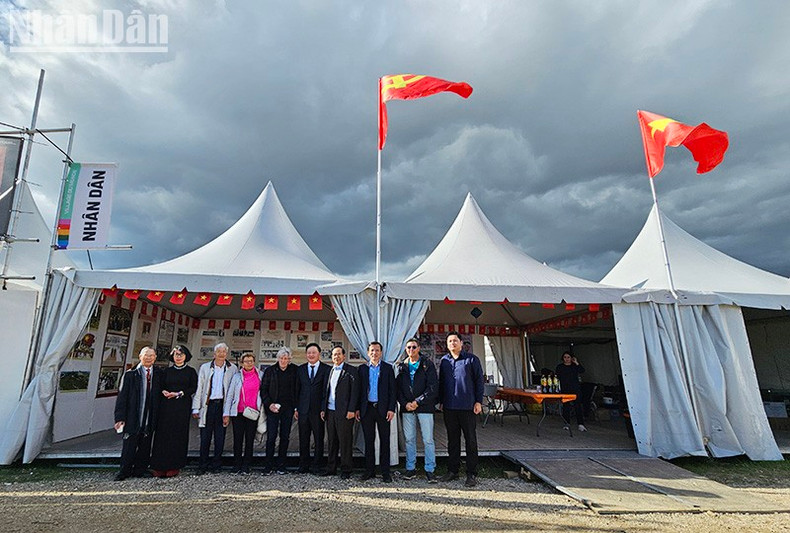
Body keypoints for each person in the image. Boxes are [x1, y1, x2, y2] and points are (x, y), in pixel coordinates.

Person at [438, 332, 484, 488]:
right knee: (452, 440)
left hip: (468, 406)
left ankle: (471, 473)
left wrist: (479, 401)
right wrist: (441, 401)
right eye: (449, 341)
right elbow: (442, 383)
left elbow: (479, 382)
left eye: (455, 341)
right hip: (450, 407)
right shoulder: (444, 361)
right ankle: (453, 470)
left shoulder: (471, 360)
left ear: (461, 343)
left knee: (470, 440)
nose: (452, 343)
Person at [113, 346, 162, 481]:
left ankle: (140, 470)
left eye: (151, 355)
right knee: (129, 444)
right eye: (146, 355)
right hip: (133, 415)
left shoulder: (158, 374)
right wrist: (120, 417)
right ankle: (124, 471)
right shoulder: (130, 374)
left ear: (155, 358)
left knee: (145, 445)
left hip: (149, 416)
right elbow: (122, 397)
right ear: (140, 356)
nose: (148, 358)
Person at [150, 345, 198, 477]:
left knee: (178, 435)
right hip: (166, 406)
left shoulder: (191, 371)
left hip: (181, 406)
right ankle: (159, 465)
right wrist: (164, 391)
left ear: (186, 356)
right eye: (176, 354)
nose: (178, 357)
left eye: (181, 354)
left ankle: (175, 465)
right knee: (163, 435)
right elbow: (160, 386)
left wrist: (180, 393)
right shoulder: (166, 371)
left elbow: (193, 387)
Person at [396, 338, 438, 482]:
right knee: (409, 439)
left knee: (427, 440)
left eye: (414, 347)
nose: (411, 350)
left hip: (425, 407)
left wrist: (417, 402)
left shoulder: (427, 364)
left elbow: (432, 387)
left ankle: (430, 470)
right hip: (407, 408)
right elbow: (399, 389)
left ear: (419, 348)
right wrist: (405, 403)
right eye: (408, 347)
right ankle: (410, 468)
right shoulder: (402, 367)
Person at [192, 342, 238, 474]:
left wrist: (228, 411)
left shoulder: (232, 368)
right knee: (205, 437)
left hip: (222, 406)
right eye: (219, 351)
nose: (221, 354)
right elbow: (199, 388)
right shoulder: (205, 368)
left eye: (224, 351)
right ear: (214, 353)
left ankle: (216, 465)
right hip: (208, 405)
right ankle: (202, 465)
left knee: (220, 437)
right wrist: (196, 408)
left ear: (227, 353)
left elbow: (232, 390)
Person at [357, 341, 396, 483]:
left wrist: (391, 408)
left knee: (385, 441)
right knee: (369, 441)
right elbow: (358, 391)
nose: (374, 353)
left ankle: (385, 472)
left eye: (377, 350)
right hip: (367, 409)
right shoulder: (362, 369)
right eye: (372, 350)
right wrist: (357, 409)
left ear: (381, 352)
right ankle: (369, 470)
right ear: (368, 353)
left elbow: (393, 391)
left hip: (383, 409)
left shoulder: (388, 368)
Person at [320, 346, 359, 480]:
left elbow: (355, 392)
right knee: (332, 441)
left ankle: (346, 469)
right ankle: (331, 468)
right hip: (330, 411)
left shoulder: (351, 371)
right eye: (334, 355)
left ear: (344, 356)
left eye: (338, 354)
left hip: (345, 412)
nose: (336, 357)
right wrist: (323, 409)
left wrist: (351, 410)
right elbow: (326, 392)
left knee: (345, 441)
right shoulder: (330, 371)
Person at [224, 352, 264, 474]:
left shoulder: (260, 375)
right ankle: (237, 464)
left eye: (251, 361)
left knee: (250, 439)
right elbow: (230, 395)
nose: (249, 363)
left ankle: (247, 465)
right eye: (246, 361)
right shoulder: (236, 377)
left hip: (253, 412)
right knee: (238, 439)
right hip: (239, 412)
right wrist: (226, 413)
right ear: (242, 363)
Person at [261, 347, 299, 474]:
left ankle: (281, 465)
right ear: (278, 359)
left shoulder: (294, 370)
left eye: (286, 358)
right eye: (282, 358)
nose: (284, 360)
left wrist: (295, 407)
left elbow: (298, 390)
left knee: (285, 437)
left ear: (289, 360)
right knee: (271, 437)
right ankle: (268, 465)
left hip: (288, 409)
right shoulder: (270, 371)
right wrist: (269, 404)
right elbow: (263, 390)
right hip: (273, 408)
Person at [296, 342, 330, 473]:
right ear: (306, 355)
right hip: (303, 410)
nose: (311, 355)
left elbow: (326, 391)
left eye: (314, 352)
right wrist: (296, 408)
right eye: (309, 353)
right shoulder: (301, 369)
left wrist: (323, 409)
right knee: (303, 438)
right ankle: (303, 465)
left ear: (319, 354)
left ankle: (317, 465)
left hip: (318, 411)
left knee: (318, 438)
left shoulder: (326, 369)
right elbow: (297, 390)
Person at [555, 351, 587, 432]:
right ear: (563, 358)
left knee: (578, 406)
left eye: (568, 357)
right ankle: (566, 423)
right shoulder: (560, 367)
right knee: (566, 407)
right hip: (565, 389)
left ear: (571, 358)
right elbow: (556, 377)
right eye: (565, 357)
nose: (566, 359)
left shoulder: (574, 366)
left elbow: (582, 370)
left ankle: (581, 424)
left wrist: (576, 362)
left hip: (575, 388)